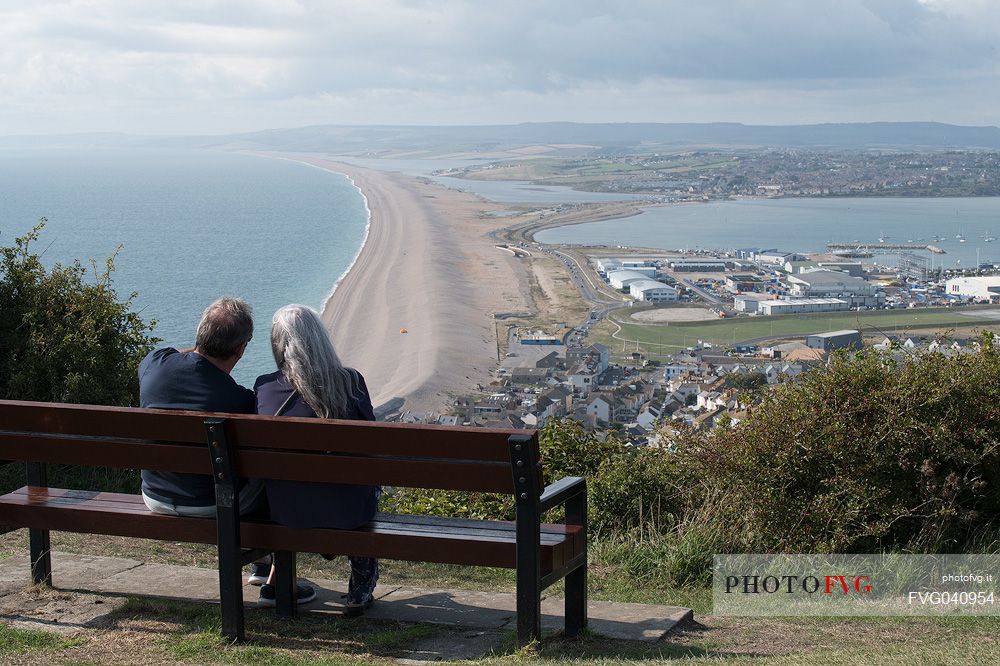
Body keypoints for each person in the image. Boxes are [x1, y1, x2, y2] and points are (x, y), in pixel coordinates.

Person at [138, 297, 314, 604]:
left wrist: (197, 354)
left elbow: (175, 356)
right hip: (210, 504)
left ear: (200, 334)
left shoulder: (156, 366)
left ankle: (263, 563)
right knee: (277, 471)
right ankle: (279, 581)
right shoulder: (240, 401)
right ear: (241, 349)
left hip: (155, 495)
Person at [254, 304, 380, 617]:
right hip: (347, 511)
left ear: (278, 345)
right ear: (321, 340)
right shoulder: (351, 382)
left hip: (287, 510)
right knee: (364, 480)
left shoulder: (265, 387)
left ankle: (274, 574)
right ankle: (361, 580)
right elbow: (371, 447)